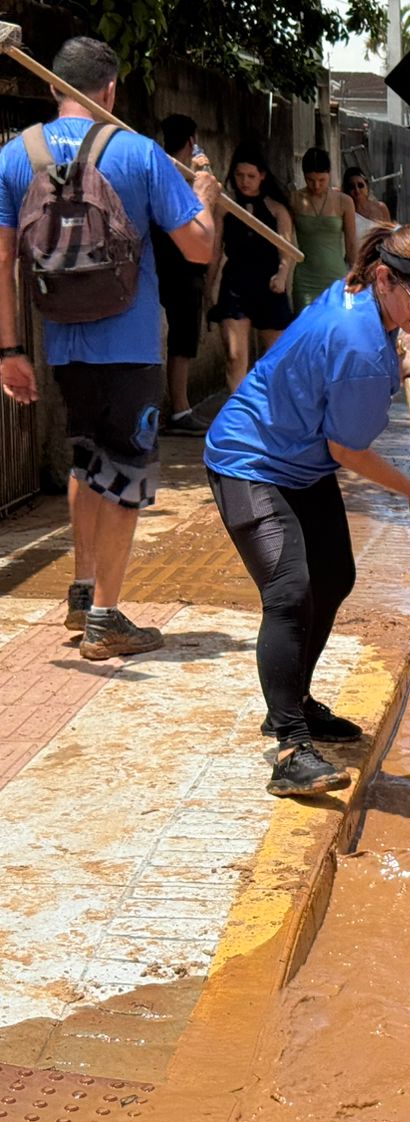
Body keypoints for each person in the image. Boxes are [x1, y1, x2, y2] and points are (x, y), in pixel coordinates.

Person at [203, 224, 410, 797]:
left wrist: (402, 358)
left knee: (336, 575)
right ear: (386, 277)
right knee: (290, 593)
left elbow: (355, 363)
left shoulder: (358, 295)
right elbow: (350, 450)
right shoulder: (360, 346)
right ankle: (290, 748)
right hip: (251, 462)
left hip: (299, 460)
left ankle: (296, 702)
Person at [0, 36, 220, 658]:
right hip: (128, 345)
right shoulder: (140, 153)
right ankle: (106, 619)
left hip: (61, 345)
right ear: (111, 90)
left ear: (51, 86)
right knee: (124, 469)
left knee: (85, 460)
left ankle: (81, 589)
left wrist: (9, 351)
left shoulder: (16, 156)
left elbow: (2, 258)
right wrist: (206, 198)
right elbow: (199, 248)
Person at [209, 143, 296, 391]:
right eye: (239, 175)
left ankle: (271, 416)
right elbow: (215, 251)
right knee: (235, 356)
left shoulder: (277, 209)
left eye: (251, 176)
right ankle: (236, 421)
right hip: (235, 285)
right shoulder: (225, 206)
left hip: (269, 287)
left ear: (262, 176)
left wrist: (282, 274)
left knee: (277, 358)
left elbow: (286, 251)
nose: (244, 182)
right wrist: (210, 288)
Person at [150, 115, 210, 434]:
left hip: (160, 263)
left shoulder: (156, 167)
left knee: (179, 338)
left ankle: (177, 407)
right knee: (183, 339)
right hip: (180, 265)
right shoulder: (182, 175)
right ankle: (180, 409)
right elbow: (202, 213)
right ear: (191, 141)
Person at [290, 146, 358, 313]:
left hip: (336, 277)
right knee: (306, 331)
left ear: (329, 174)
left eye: (321, 180)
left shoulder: (344, 201)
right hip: (305, 279)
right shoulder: (294, 200)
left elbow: (351, 244)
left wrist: (356, 275)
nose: (316, 185)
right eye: (310, 180)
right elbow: (286, 241)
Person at [344, 165, 392, 241]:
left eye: (360, 185)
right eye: (352, 187)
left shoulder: (381, 208)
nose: (357, 190)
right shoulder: (346, 213)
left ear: (367, 186)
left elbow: (390, 237)